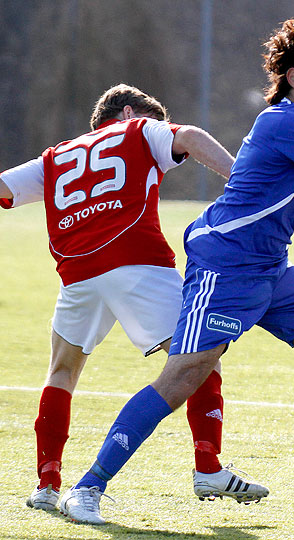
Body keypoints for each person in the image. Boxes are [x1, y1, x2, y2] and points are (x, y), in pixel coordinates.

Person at [57, 17, 294, 525]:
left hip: (271, 267)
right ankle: (86, 489)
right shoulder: (287, 120)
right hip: (226, 265)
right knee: (182, 378)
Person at [0, 84, 242, 512]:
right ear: (129, 111)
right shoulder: (140, 130)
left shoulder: (55, 157)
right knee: (201, 357)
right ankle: (208, 467)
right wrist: (243, 178)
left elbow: (3, 189)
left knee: (61, 372)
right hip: (137, 262)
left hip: (78, 275)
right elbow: (189, 138)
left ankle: (46, 485)